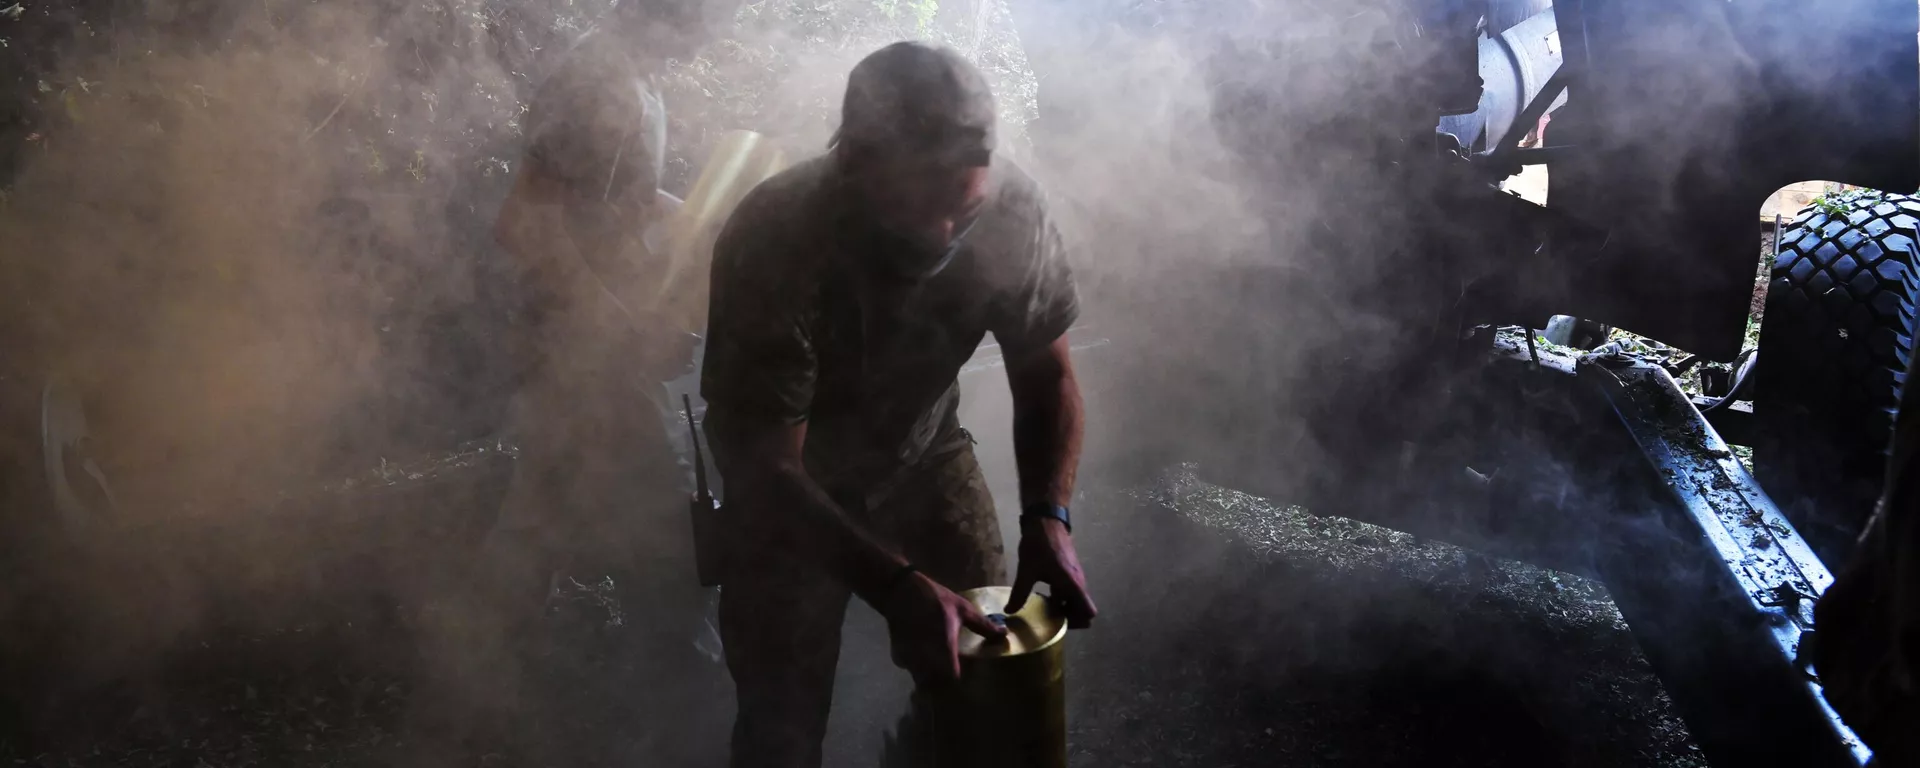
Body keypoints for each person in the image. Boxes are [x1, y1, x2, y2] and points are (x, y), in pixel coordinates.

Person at [700, 41, 1099, 768]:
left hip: (923, 451)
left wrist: (1050, 513)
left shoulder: (1014, 211)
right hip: (790, 491)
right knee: (780, 724)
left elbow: (1046, 373)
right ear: (854, 161)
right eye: (920, 212)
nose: (946, 236)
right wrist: (895, 582)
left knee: (990, 663)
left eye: (965, 212)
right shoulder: (776, 238)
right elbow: (764, 466)